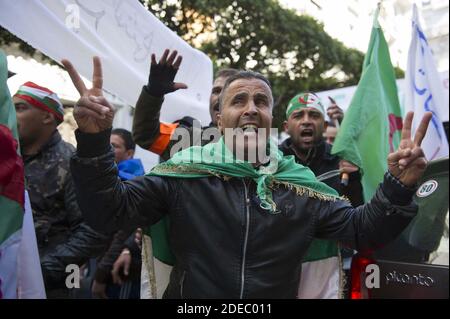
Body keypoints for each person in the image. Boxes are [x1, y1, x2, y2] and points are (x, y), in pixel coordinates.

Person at [63, 56, 431, 298]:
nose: (251, 109)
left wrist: (397, 186)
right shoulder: (182, 175)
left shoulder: (300, 185)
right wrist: (94, 141)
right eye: (238, 101)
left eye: (261, 102)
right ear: (219, 119)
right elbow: (108, 213)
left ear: (272, 119)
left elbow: (362, 231)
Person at [13, 81, 108, 298]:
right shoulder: (10, 160)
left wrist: (38, 271)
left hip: (55, 285)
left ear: (47, 117)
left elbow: (93, 231)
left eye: (20, 108)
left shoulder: (71, 162)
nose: (10, 113)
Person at [281, 92, 364, 298]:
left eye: (314, 115)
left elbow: (356, 215)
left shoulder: (341, 160)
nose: (307, 121)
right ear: (286, 127)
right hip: (283, 265)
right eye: (298, 115)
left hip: (332, 266)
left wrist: (353, 180)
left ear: (325, 126)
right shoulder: (272, 161)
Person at [132, 49, 238, 161]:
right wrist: (153, 92)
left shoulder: (256, 142)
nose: (220, 96)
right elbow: (146, 135)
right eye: (216, 91)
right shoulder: (192, 139)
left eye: (228, 91)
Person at [91, 128, 144, 299]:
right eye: (107, 145)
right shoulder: (103, 178)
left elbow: (123, 233)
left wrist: (100, 276)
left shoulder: (133, 183)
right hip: (99, 263)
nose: (109, 149)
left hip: (119, 273)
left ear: (129, 153)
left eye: (114, 146)